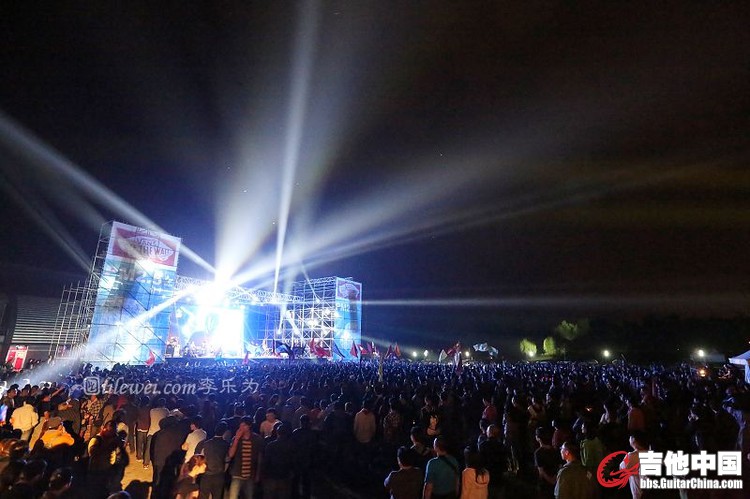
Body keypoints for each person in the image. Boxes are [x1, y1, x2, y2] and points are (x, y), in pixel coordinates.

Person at [227, 416, 263, 499]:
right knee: (233, 496)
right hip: (237, 474)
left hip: (250, 475)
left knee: (249, 496)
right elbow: (231, 454)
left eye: (243, 426)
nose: (241, 428)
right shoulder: (236, 438)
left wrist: (258, 474)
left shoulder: (257, 439)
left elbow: (260, 457)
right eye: (240, 426)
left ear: (249, 426)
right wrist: (236, 439)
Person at [195, 421, 230, 499]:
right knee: (217, 496)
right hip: (219, 475)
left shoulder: (206, 443)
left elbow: (198, 457)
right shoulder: (226, 445)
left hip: (206, 474)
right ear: (225, 432)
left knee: (203, 496)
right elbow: (227, 460)